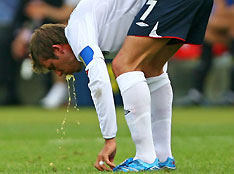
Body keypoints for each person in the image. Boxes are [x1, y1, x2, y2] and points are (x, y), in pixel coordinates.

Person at [29, 0, 213, 172]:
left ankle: (146, 158)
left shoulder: (76, 30)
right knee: (152, 69)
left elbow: (99, 80)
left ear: (58, 49)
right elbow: (155, 69)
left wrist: (109, 139)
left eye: (53, 66)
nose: (60, 74)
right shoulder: (100, 27)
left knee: (123, 65)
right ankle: (163, 157)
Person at [175, 0, 234, 106]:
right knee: (206, 44)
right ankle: (196, 94)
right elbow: (219, 13)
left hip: (228, 25)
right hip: (220, 25)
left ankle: (231, 94)